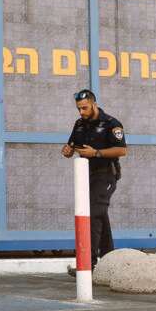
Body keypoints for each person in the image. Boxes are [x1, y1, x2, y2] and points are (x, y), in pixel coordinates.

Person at [62, 89, 127, 275]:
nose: (81, 112)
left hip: (106, 174)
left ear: (94, 104)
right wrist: (67, 151)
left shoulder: (111, 123)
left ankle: (87, 264)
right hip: (86, 175)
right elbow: (71, 146)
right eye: (78, 108)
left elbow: (122, 150)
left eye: (84, 108)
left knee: (93, 213)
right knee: (100, 215)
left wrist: (96, 153)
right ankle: (110, 261)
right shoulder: (79, 124)